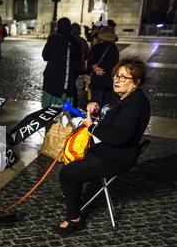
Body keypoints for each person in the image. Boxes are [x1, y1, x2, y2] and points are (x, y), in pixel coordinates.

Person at [57, 57, 151, 237]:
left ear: (136, 82)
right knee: (74, 162)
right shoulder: (124, 96)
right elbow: (112, 120)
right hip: (109, 151)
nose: (116, 80)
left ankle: (74, 219)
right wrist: (98, 110)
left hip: (117, 157)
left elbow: (119, 136)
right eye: (116, 75)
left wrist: (90, 126)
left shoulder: (135, 103)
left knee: (67, 174)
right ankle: (72, 196)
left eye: (123, 77)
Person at [41, 17, 80, 108]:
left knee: (48, 107)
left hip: (52, 78)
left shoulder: (53, 39)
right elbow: (78, 60)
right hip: (68, 79)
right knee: (65, 111)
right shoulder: (75, 41)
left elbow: (45, 56)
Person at [88, 25, 119, 107]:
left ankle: (95, 119)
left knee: (95, 103)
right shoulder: (114, 48)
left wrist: (96, 69)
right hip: (109, 79)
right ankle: (104, 118)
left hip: (98, 79)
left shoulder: (97, 47)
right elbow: (115, 63)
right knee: (106, 103)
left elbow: (90, 60)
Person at [71, 23, 90, 108]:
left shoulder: (69, 40)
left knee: (72, 85)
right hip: (80, 67)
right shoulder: (82, 41)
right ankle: (75, 101)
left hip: (71, 67)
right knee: (76, 86)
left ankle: (73, 101)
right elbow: (87, 55)